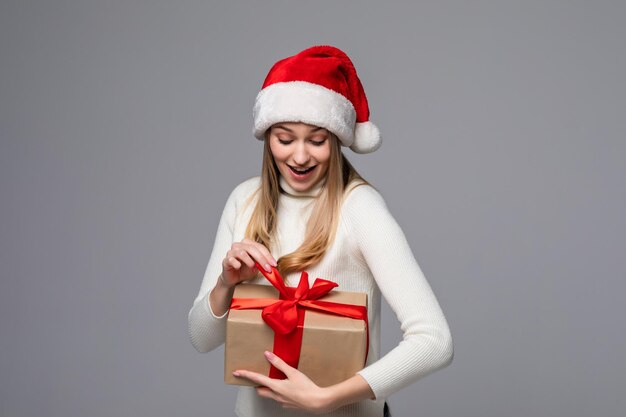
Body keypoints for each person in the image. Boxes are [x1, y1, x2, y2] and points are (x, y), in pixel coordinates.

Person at [188, 45, 454, 417]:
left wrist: (326, 398)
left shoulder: (360, 208)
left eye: (316, 140)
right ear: (267, 138)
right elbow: (202, 339)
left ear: (337, 139)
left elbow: (435, 341)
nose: (299, 157)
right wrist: (225, 284)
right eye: (285, 139)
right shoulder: (243, 200)